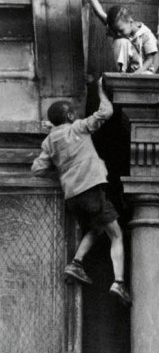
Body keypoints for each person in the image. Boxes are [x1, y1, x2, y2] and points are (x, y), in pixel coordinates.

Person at [31, 77, 132, 307]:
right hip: (91, 187)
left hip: (73, 197)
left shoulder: (50, 142)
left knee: (97, 229)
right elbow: (105, 112)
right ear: (68, 117)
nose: (75, 115)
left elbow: (37, 169)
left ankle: (76, 262)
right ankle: (118, 282)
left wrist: (62, 171)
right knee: (116, 234)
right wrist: (100, 90)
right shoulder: (78, 127)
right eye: (72, 113)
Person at [82, 0, 158, 74]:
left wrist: (136, 75)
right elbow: (99, 12)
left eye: (121, 30)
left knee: (122, 41)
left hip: (143, 72)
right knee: (101, 82)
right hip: (129, 73)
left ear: (130, 22)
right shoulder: (120, 27)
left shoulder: (146, 34)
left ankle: (124, 78)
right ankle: (121, 74)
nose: (117, 33)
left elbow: (150, 60)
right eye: (116, 30)